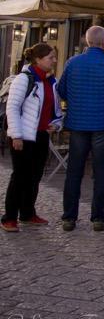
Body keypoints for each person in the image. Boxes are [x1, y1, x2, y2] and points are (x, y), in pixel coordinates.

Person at [58, 26, 104, 232]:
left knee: (74, 171)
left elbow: (62, 89)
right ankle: (98, 218)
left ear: (86, 41)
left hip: (78, 123)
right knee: (101, 171)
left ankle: (69, 217)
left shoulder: (72, 63)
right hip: (103, 124)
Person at [1, 43, 63, 233]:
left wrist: (56, 123)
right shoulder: (24, 79)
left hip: (41, 134)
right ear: (38, 59)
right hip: (23, 135)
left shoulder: (51, 82)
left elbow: (56, 110)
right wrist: (16, 135)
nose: (54, 61)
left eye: (54, 57)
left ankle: (28, 212)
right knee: (20, 176)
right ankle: (9, 217)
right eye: (50, 58)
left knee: (35, 176)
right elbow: (12, 107)